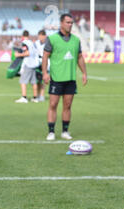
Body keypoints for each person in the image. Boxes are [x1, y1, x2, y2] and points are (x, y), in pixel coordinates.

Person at [42, 13, 87, 141]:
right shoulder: (52, 39)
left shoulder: (76, 40)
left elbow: (79, 57)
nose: (70, 25)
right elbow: (45, 56)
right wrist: (45, 73)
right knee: (53, 104)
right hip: (56, 79)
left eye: (71, 23)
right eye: (67, 22)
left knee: (67, 106)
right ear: (61, 23)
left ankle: (65, 131)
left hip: (71, 79)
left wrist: (84, 73)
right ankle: (51, 132)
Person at [14, 30, 39, 103]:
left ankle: (24, 97)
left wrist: (18, 55)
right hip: (34, 63)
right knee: (34, 82)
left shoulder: (25, 43)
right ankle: (35, 97)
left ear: (22, 36)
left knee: (23, 81)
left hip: (28, 64)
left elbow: (27, 53)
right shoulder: (32, 43)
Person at [35, 29, 47, 102]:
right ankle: (38, 94)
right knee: (37, 80)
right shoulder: (36, 43)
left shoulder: (47, 44)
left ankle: (42, 95)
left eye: (41, 36)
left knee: (43, 80)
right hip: (37, 62)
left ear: (44, 36)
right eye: (39, 36)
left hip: (44, 63)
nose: (40, 38)